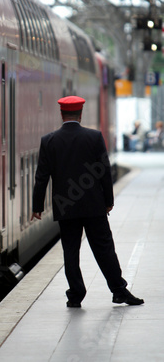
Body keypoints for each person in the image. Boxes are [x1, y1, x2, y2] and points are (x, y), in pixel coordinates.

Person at [31, 95, 144, 308]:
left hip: (65, 206)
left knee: (70, 251)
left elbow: (41, 176)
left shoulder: (49, 141)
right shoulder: (94, 137)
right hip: (94, 206)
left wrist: (37, 207)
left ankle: (76, 294)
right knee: (104, 248)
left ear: (61, 114)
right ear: (80, 114)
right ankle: (119, 291)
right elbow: (104, 172)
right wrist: (108, 201)